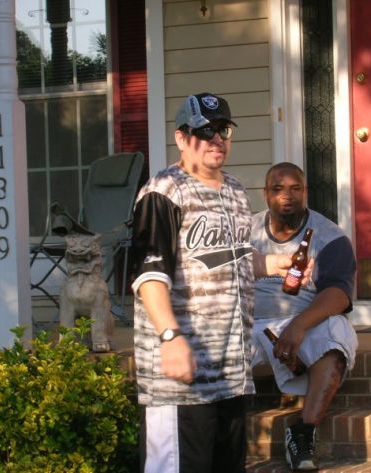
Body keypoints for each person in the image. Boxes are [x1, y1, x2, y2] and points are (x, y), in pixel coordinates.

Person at [130, 93, 311, 473]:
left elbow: (234, 257)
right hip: (181, 379)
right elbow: (148, 274)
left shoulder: (234, 191)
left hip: (231, 374)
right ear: (181, 138)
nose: (216, 139)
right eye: (204, 130)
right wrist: (169, 337)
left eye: (223, 130)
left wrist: (274, 264)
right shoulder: (163, 191)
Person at [251, 162, 358, 471]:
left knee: (337, 331)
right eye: (278, 189)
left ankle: (303, 432)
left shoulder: (329, 237)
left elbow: (339, 293)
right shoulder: (246, 230)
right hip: (249, 325)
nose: (287, 196)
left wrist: (299, 326)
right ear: (266, 194)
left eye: (295, 188)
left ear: (306, 192)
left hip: (302, 322)